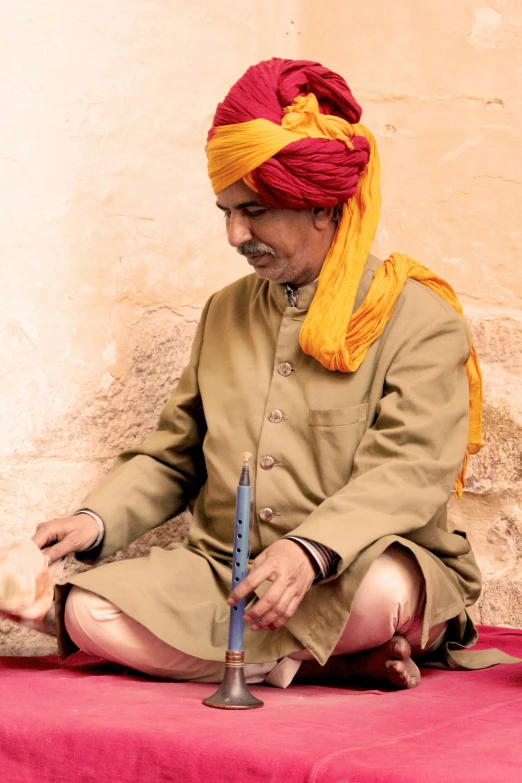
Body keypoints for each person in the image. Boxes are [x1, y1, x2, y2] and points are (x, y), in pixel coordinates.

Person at [11, 58, 510, 690]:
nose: (233, 234)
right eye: (225, 211)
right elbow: (174, 455)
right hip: (227, 570)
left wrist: (310, 549)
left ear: (323, 208)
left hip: (358, 562)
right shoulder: (225, 312)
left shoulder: (415, 314)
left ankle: (293, 655)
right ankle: (324, 661)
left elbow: (409, 471)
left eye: (255, 211)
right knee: (85, 610)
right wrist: (94, 522)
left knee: (383, 592)